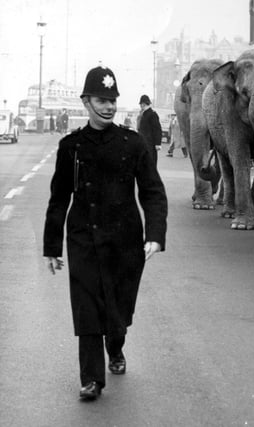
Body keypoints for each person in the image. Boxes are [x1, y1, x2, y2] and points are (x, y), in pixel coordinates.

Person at [43, 66, 168, 401]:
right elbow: (59, 198)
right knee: (87, 307)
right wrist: (52, 247)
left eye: (113, 99)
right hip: (83, 237)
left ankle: (116, 346)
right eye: (102, 99)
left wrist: (155, 233)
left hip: (125, 241)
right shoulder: (71, 146)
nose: (110, 106)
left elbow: (153, 191)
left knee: (118, 311)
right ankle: (91, 379)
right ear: (86, 102)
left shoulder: (134, 143)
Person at [137, 94, 162, 165]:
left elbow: (157, 129)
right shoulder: (143, 114)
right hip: (143, 142)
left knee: (150, 162)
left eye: (142, 104)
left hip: (150, 143)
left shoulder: (152, 114)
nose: (141, 105)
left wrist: (158, 143)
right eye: (141, 104)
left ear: (145, 104)